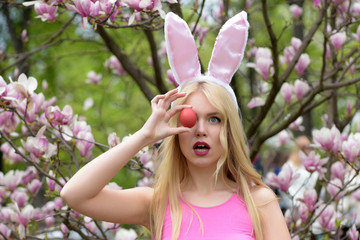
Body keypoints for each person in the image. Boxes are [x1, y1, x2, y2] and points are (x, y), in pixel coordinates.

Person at [61, 11, 290, 240]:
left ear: (229, 130)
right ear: (176, 130)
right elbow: (75, 195)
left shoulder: (259, 201)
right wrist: (144, 136)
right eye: (190, 118)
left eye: (214, 119)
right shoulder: (157, 203)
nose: (201, 130)